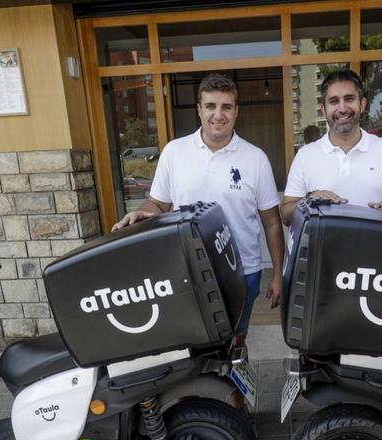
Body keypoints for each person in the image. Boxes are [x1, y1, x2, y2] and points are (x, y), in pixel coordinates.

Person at [113, 73, 284, 344]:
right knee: (195, 343)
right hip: (187, 267)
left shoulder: (255, 158)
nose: (218, 114)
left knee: (236, 343)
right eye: (211, 106)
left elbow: (272, 222)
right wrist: (143, 212)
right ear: (199, 109)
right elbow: (157, 202)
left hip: (242, 269)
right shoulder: (174, 152)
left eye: (226, 106)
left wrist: (277, 275)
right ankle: (207, 387)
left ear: (236, 111)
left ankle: (237, 387)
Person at [281, 69, 382, 226]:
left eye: (349, 99)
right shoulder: (306, 156)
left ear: (362, 104)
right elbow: (286, 215)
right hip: (323, 250)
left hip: (379, 249)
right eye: (334, 101)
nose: (342, 108)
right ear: (323, 109)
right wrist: (309, 200)